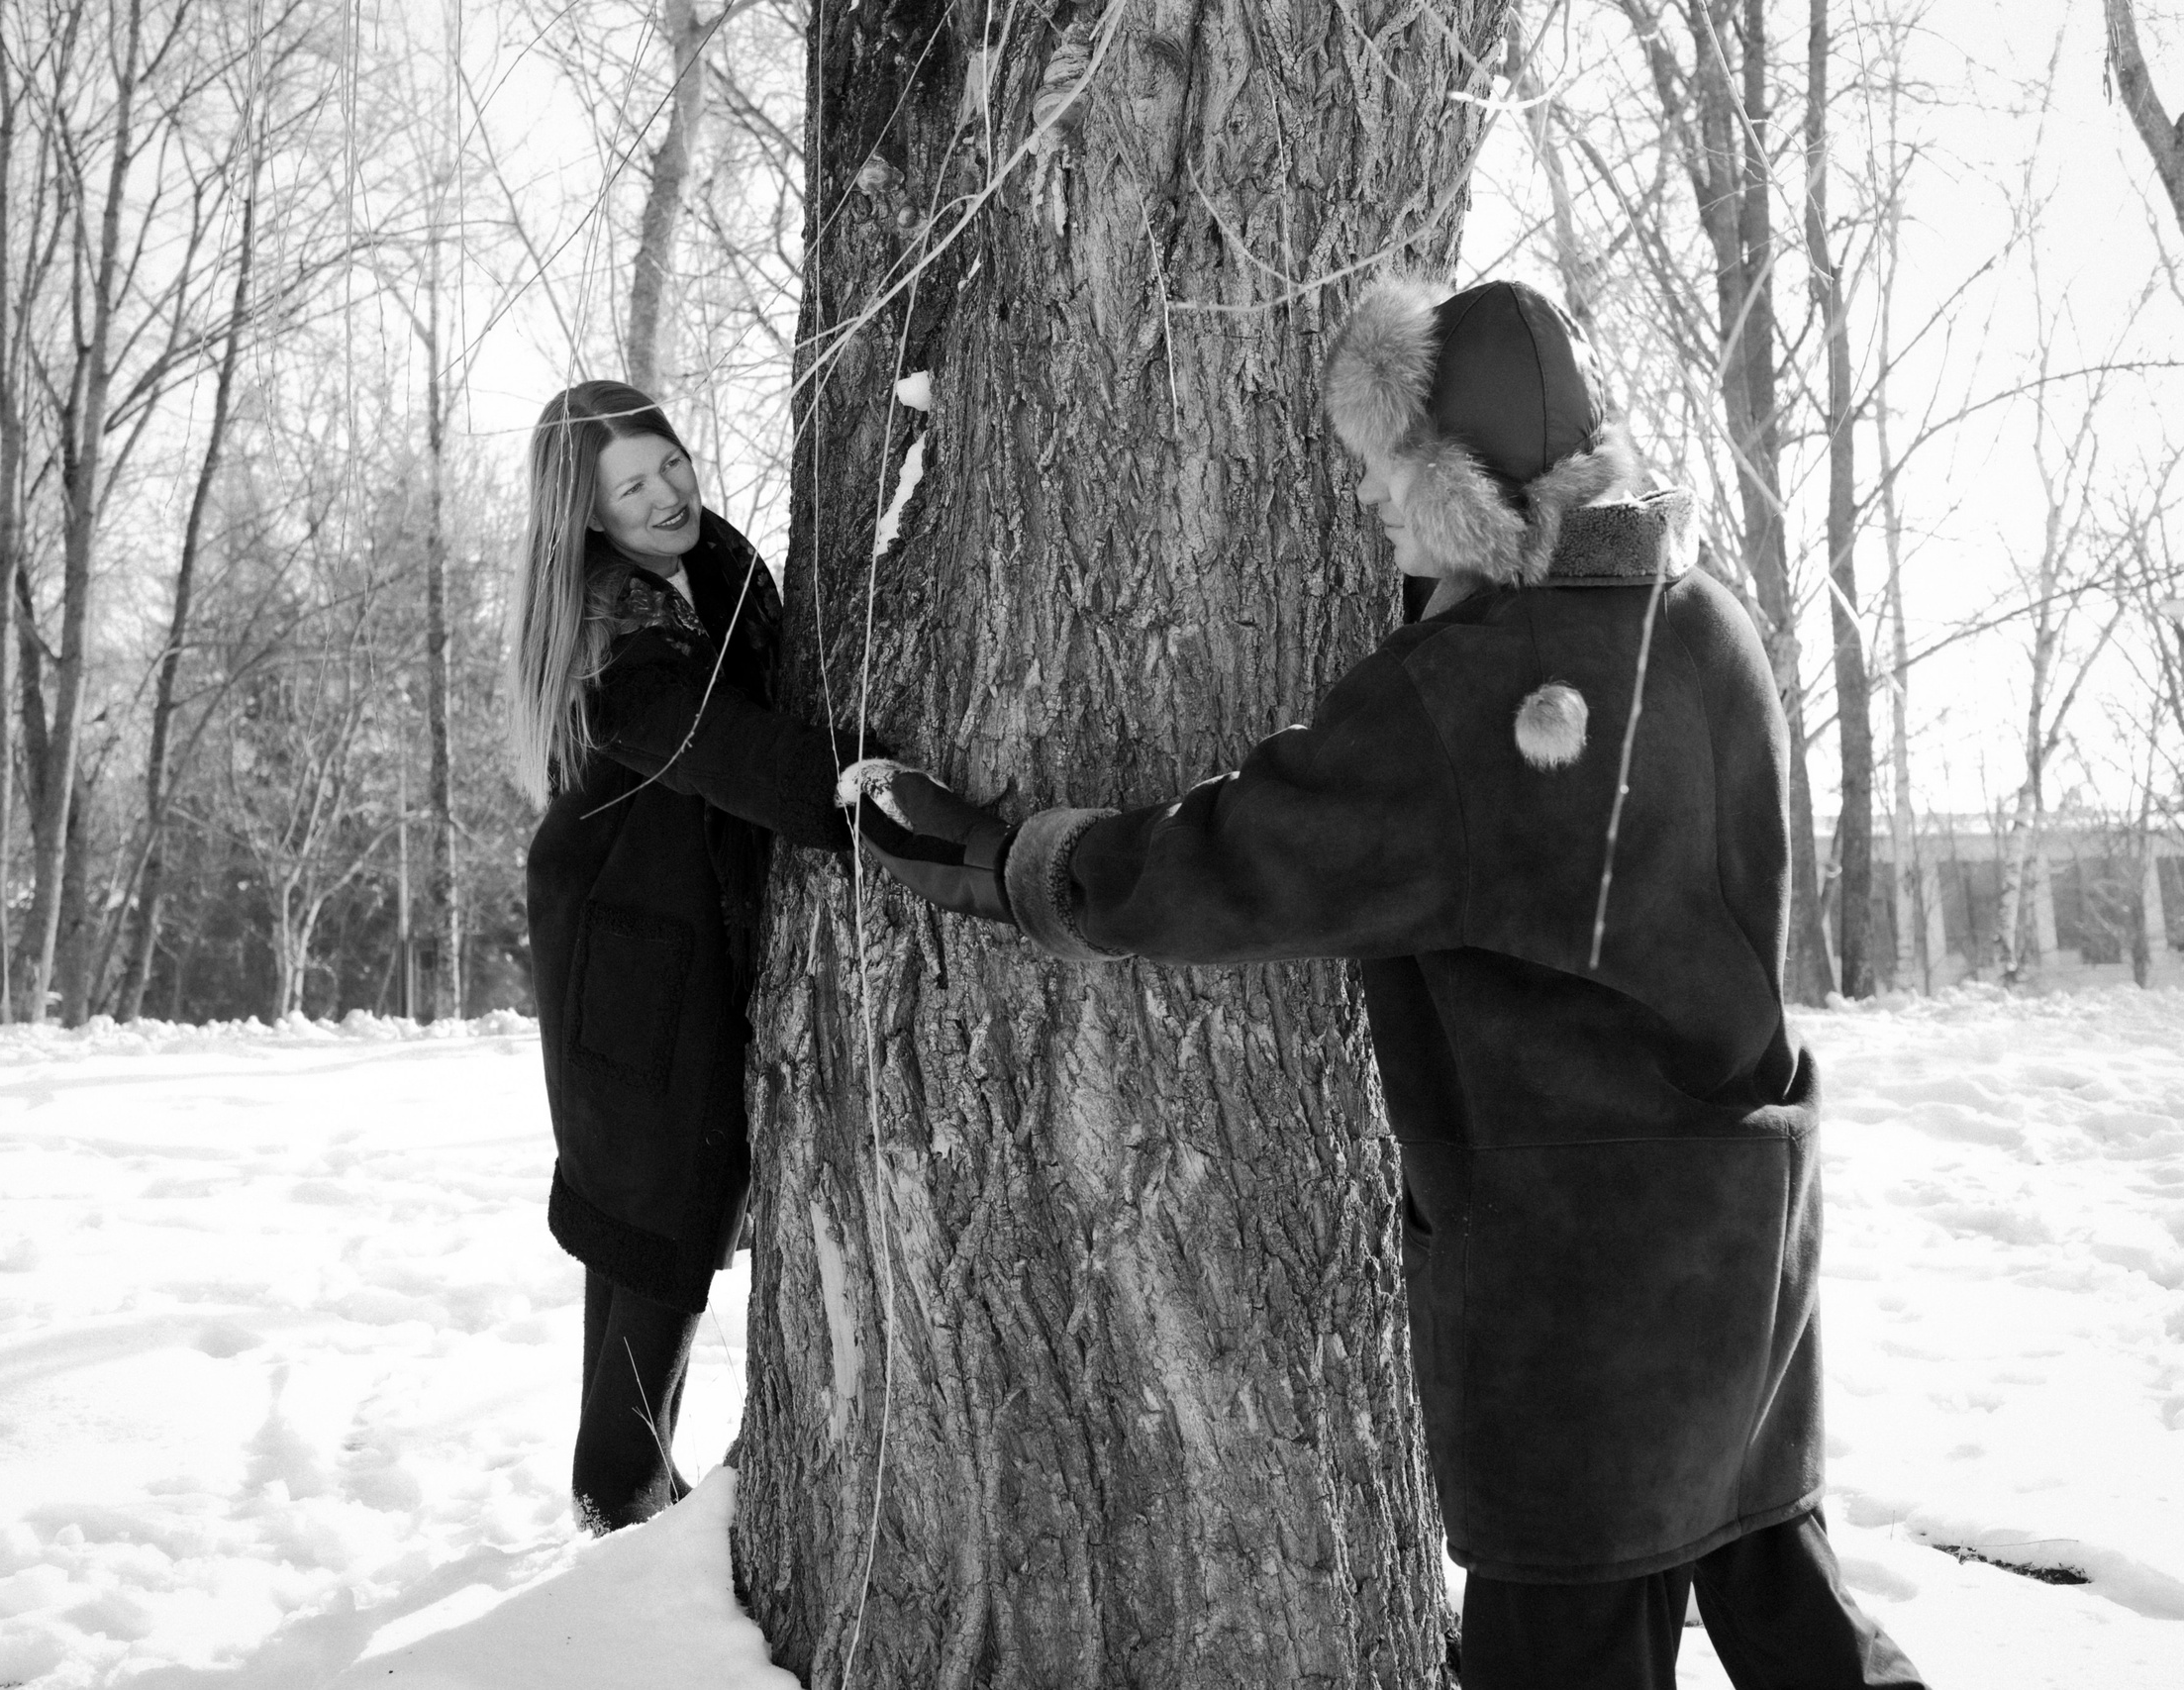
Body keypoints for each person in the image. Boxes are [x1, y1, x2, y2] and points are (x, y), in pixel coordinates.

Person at [841, 278, 1929, 1689]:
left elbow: (1234, 859)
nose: (1368, 507)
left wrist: (1009, 860)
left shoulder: (1472, 687)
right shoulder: (1710, 620)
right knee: (1785, 1594)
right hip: (1742, 1220)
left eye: (1382, 474)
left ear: (1447, 484)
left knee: (1569, 1647)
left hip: (1573, 1270)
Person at [512, 379, 871, 1532]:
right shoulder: (616, 627)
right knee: (664, 1213)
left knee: (638, 1221)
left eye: (668, 463)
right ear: (588, 515)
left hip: (657, 930)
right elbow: (722, 749)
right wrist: (869, 792)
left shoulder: (712, 569)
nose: (667, 493)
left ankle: (611, 1476)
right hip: (628, 955)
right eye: (632, 486)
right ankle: (620, 1489)